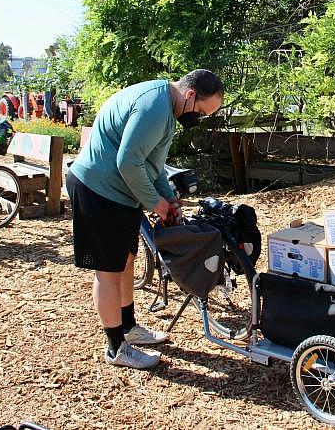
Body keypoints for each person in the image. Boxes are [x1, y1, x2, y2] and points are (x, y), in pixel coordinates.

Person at [66, 69, 223, 369]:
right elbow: (128, 162)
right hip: (97, 190)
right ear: (190, 95)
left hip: (121, 194)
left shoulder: (167, 107)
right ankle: (115, 347)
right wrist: (155, 204)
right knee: (108, 271)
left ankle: (128, 328)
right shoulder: (154, 107)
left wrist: (169, 199)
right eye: (202, 112)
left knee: (125, 262)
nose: (199, 119)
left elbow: (153, 165)